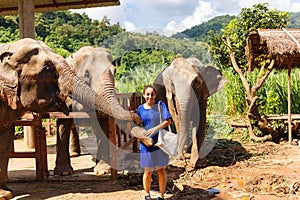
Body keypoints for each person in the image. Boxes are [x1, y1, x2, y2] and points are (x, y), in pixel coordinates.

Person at [137, 85, 172, 200]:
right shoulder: (140, 109)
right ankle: (147, 194)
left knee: (161, 170)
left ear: (155, 95)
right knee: (148, 171)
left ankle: (161, 196)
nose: (150, 97)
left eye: (152, 94)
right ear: (144, 95)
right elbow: (136, 126)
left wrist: (154, 129)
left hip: (160, 144)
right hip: (146, 145)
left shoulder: (160, 106)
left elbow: (168, 121)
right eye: (147, 94)